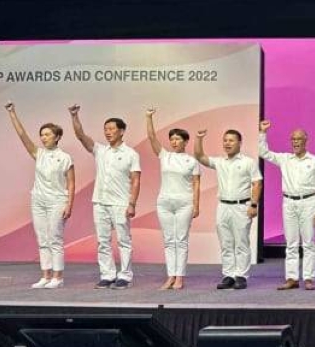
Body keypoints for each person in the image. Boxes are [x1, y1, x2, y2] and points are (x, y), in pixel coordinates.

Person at [69, 105, 141, 289]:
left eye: (111, 129)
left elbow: (135, 180)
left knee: (124, 240)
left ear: (122, 131)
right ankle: (107, 275)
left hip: (120, 203)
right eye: (105, 129)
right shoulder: (100, 150)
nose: (107, 132)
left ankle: (125, 275)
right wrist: (74, 115)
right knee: (103, 241)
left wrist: (132, 203)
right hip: (100, 202)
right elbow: (81, 136)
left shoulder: (131, 154)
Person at [5, 103, 75, 289]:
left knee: (55, 239)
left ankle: (58, 277)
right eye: (42, 135)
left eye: (47, 134)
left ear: (57, 137)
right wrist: (12, 113)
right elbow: (22, 135)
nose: (43, 138)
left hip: (57, 201)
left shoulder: (65, 157)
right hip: (38, 201)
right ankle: (46, 275)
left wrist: (69, 204)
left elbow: (71, 182)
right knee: (42, 239)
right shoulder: (39, 153)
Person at [259, 121, 315, 291]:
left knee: (309, 242)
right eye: (293, 139)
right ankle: (292, 278)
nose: (295, 142)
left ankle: (309, 278)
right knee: (291, 243)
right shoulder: (285, 159)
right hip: (288, 202)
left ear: (306, 140)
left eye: (299, 139)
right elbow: (263, 152)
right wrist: (262, 133)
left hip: (309, 202)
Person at [194, 128, 262, 290]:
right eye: (225, 140)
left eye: (231, 140)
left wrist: (253, 204)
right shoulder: (220, 161)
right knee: (226, 242)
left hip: (242, 206)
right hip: (223, 206)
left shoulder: (248, 162)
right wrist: (198, 138)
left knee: (241, 242)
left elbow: (257, 183)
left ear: (240, 143)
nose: (227, 143)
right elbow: (200, 156)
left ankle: (241, 275)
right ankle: (229, 275)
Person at [145, 109, 201, 290]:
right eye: (172, 139)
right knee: (169, 240)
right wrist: (149, 117)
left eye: (178, 139)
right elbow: (152, 137)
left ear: (185, 141)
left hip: (184, 202)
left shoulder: (191, 161)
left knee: (181, 240)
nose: (174, 142)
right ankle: (170, 276)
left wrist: (196, 206)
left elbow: (196, 184)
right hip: (165, 203)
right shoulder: (165, 156)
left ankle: (180, 277)